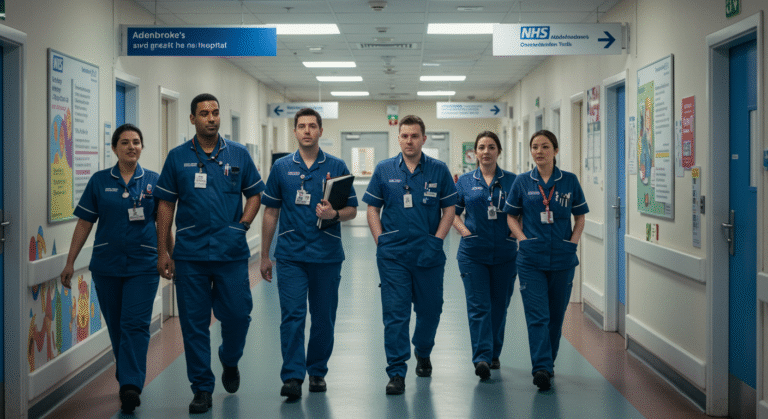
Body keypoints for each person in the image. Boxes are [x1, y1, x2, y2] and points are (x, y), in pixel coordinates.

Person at [154, 93, 264, 414]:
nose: (211, 118)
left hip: (231, 253)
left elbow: (255, 194)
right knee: (194, 324)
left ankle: (229, 358)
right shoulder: (177, 158)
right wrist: (163, 251)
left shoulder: (238, 154)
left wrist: (242, 225)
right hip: (190, 255)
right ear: (193, 119)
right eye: (204, 113)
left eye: (215, 112)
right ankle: (202, 388)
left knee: (238, 315)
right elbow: (165, 205)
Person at [60, 123, 167, 414]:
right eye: (125, 142)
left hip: (143, 265)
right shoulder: (99, 181)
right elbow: (85, 222)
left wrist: (167, 254)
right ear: (114, 148)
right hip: (106, 265)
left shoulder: (154, 181)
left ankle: (131, 385)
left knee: (135, 324)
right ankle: (127, 372)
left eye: (136, 142)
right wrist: (70, 261)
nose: (131, 147)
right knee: (118, 325)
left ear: (142, 147)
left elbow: (163, 222)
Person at [260, 108, 358, 401]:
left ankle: (317, 371)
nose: (306, 131)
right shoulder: (281, 168)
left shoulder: (337, 166)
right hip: (291, 255)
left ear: (320, 131)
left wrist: (333, 214)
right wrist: (264, 255)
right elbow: (271, 212)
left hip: (326, 255)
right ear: (294, 131)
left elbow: (352, 210)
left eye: (312, 126)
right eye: (301, 126)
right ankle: (292, 376)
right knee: (292, 315)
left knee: (323, 317)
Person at [363, 115, 457, 395]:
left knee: (431, 310)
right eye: (404, 136)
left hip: (428, 254)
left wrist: (437, 241)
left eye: (414, 136)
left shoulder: (438, 170)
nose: (409, 141)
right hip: (393, 256)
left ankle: (423, 350)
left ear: (423, 139)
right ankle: (396, 371)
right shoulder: (384, 169)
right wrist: (381, 241)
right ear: (398, 138)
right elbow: (372, 209)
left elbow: (449, 210)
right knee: (395, 314)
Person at [504, 129, 588, 391]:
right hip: (531, 259)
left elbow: (580, 217)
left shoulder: (569, 181)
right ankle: (541, 367)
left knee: (555, 315)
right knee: (537, 315)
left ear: (555, 150)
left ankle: (548, 363)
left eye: (545, 146)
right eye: (535, 147)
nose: (539, 151)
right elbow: (511, 216)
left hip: (563, 258)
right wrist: (522, 240)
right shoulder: (522, 181)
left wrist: (572, 244)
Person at [452, 131, 517, 380]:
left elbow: (522, 212)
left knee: (499, 307)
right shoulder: (465, 181)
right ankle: (481, 357)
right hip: (472, 253)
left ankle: (493, 353)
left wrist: (514, 234)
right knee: (479, 306)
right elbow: (452, 212)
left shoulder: (513, 181)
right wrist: (465, 232)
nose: (486, 152)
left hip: (505, 253)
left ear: (498, 151)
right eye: (481, 147)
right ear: (475, 152)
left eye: (491, 147)